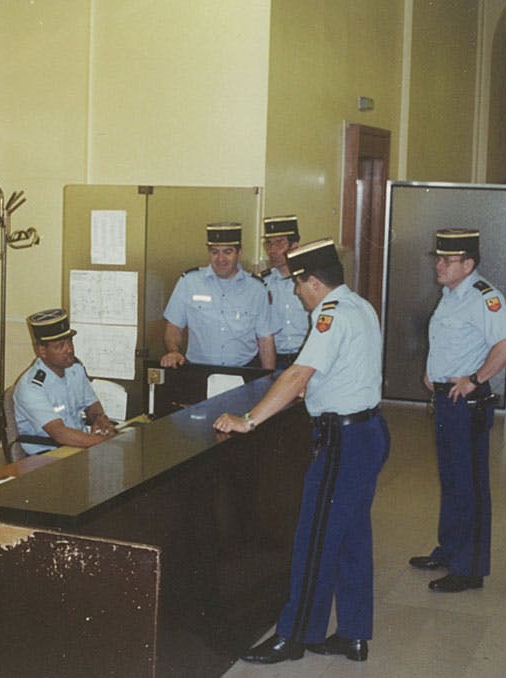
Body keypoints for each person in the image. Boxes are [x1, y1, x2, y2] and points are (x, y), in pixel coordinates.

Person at [214, 239, 389, 664]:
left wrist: (249, 419)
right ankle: (353, 634)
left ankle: (293, 637)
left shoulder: (329, 316)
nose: (295, 291)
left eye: (298, 283)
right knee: (351, 536)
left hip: (342, 443)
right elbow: (340, 371)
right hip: (370, 433)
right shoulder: (361, 307)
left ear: (313, 281)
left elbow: (296, 375)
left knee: (313, 537)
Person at [410, 229, 506, 593]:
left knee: (469, 484)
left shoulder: (483, 297)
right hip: (445, 399)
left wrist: (475, 378)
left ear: (468, 264)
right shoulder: (451, 295)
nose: (438, 265)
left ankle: (469, 568)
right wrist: (433, 372)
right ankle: (449, 550)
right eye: (438, 258)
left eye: (447, 260)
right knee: (452, 480)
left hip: (465, 403)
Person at [160, 222, 275, 369]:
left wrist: (267, 379)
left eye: (227, 252)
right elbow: (174, 327)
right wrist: (173, 351)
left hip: (243, 371)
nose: (220, 259)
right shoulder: (189, 282)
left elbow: (265, 339)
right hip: (198, 372)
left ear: (239, 253)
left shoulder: (257, 289)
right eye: (215, 252)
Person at [12, 308, 116, 455]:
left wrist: (99, 418)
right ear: (42, 351)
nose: (69, 350)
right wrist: (109, 442)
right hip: (48, 456)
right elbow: (59, 433)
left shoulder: (75, 369)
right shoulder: (31, 387)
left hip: (78, 447)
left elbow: (92, 404)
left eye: (69, 342)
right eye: (60, 346)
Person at [259, 215, 310, 368]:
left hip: (307, 357)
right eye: (269, 244)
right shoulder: (262, 284)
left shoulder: (311, 282)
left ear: (294, 245)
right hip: (275, 359)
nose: (272, 250)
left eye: (279, 243)